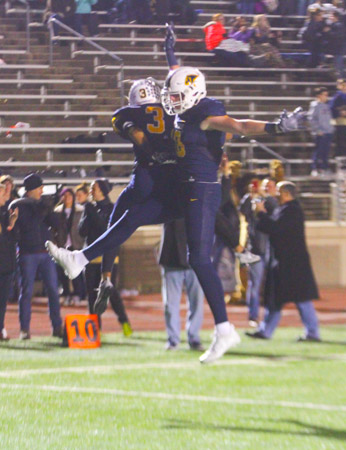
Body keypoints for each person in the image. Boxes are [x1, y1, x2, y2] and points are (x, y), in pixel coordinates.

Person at [46, 25, 306, 363]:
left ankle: (224, 330)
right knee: (133, 215)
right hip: (182, 187)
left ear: (195, 95)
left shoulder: (206, 114)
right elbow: (177, 81)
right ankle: (79, 260)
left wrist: (276, 126)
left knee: (198, 259)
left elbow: (240, 126)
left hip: (201, 190)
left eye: (177, 97)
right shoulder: (185, 106)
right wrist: (171, 56)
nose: (171, 101)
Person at [246, 181, 321, 342]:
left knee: (301, 298)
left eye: (279, 191)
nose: (276, 195)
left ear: (286, 194)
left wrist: (260, 213)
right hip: (285, 262)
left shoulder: (292, 211)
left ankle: (312, 333)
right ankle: (265, 331)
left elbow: (275, 228)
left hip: (292, 264)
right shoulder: (288, 210)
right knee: (276, 298)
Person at [10, 173, 63, 340]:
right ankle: (24, 329)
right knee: (26, 292)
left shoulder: (42, 205)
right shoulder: (19, 205)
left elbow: (56, 224)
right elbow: (25, 224)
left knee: (54, 291)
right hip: (28, 253)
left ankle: (57, 326)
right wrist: (39, 208)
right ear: (31, 189)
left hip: (46, 253)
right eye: (39, 188)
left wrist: (50, 208)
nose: (42, 191)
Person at [78, 178, 132, 336]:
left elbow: (104, 228)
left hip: (108, 259)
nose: (90, 191)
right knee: (92, 295)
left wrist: (90, 211)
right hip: (90, 258)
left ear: (102, 189)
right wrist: (88, 212)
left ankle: (124, 322)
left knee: (111, 293)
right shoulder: (89, 208)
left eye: (93, 188)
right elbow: (82, 232)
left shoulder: (112, 208)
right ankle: (95, 329)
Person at [158, 218, 204, 351]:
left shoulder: (198, 201)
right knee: (170, 303)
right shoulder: (169, 201)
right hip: (172, 259)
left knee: (197, 302)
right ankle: (173, 339)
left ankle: (194, 338)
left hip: (195, 260)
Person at [54, 188, 85, 305]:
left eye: (69, 195)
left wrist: (81, 241)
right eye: (64, 195)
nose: (67, 197)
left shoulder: (79, 210)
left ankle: (78, 294)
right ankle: (66, 293)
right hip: (62, 245)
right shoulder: (57, 212)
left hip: (75, 244)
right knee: (62, 271)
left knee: (76, 271)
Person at [0, 183, 18, 341]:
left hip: (6, 262)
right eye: (3, 193)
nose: (6, 195)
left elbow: (12, 239)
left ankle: (0, 328)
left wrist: (12, 224)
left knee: (3, 299)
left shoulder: (7, 213)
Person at [308, 86, 334, 176]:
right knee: (318, 151)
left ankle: (324, 168)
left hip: (328, 131)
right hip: (320, 132)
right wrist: (317, 130)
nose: (326, 97)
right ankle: (315, 168)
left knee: (326, 152)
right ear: (319, 95)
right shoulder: (315, 105)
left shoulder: (327, 105)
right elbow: (311, 119)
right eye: (324, 95)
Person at [323, 12, 346, 78]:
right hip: (335, 49)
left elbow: (339, 35)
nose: (330, 17)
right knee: (336, 66)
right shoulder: (333, 24)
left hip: (339, 49)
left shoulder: (339, 25)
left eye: (331, 16)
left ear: (336, 17)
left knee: (339, 66)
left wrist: (328, 31)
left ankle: (342, 80)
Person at [330, 78, 346, 157]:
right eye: (341, 85)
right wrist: (340, 112)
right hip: (340, 123)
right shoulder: (337, 97)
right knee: (341, 141)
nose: (343, 87)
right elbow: (331, 109)